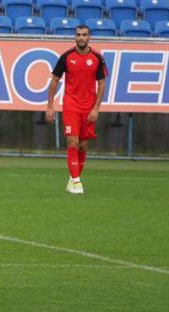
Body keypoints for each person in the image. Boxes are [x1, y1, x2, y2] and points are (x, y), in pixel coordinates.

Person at [46, 25, 108, 194]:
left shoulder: (97, 58)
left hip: (89, 107)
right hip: (71, 105)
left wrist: (96, 108)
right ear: (75, 37)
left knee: (83, 145)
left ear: (89, 37)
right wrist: (50, 106)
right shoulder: (66, 57)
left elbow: (102, 84)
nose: (81, 38)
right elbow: (54, 81)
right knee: (72, 141)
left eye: (84, 35)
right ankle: (76, 181)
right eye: (78, 35)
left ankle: (72, 179)